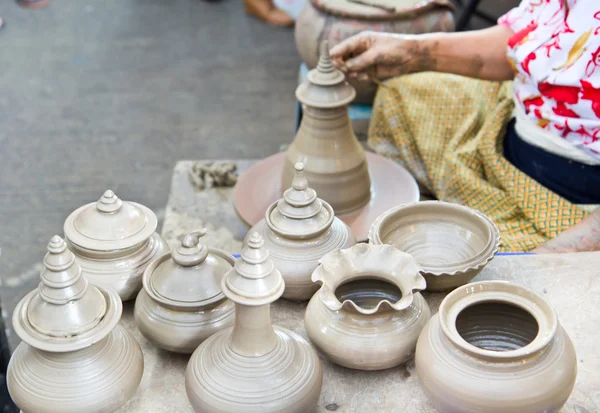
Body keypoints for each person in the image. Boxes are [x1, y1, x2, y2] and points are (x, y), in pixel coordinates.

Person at [330, 0, 600, 253]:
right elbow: (523, 37)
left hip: (569, 195)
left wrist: (557, 255)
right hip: (521, 118)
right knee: (403, 92)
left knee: (489, 261)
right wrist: (411, 52)